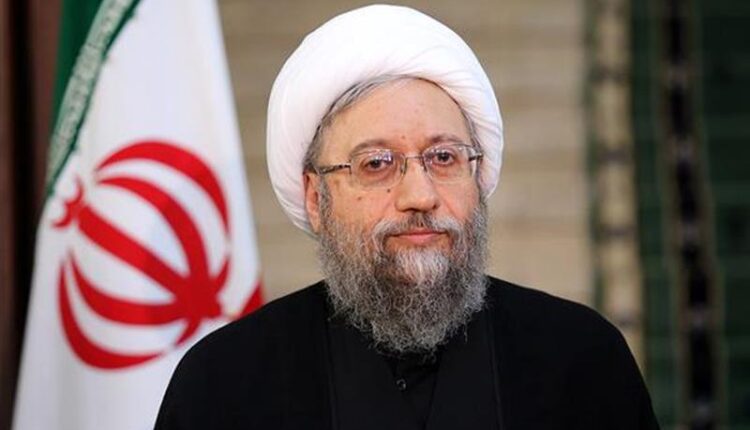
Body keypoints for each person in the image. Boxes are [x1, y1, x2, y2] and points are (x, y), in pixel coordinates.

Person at [154, 5, 660, 429]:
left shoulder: (580, 360)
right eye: (376, 164)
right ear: (314, 197)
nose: (420, 195)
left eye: (444, 157)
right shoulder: (226, 383)